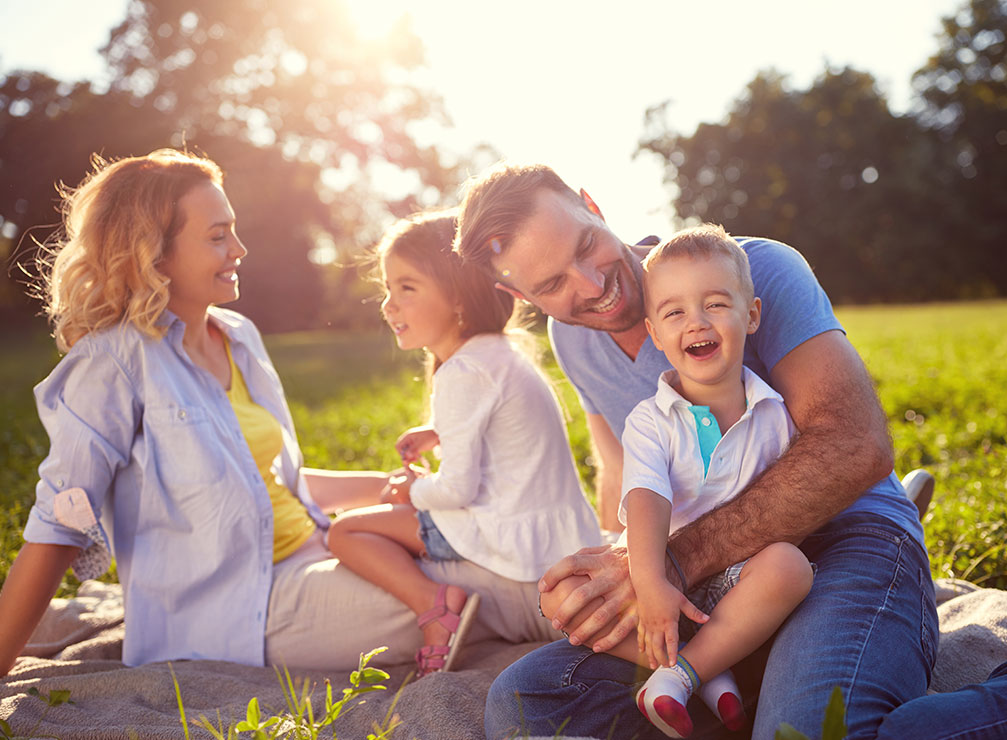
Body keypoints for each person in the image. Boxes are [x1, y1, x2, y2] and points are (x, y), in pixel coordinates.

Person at [455, 163, 1007, 739]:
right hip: (714, 585)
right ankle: (741, 687)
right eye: (553, 283)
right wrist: (617, 576)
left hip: (845, 537)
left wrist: (672, 562)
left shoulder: (756, 268)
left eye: (585, 245)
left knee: (811, 735)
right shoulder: (575, 342)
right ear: (521, 298)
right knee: (526, 701)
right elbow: (623, 473)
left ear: (591, 203)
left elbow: (855, 446)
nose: (593, 284)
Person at [0, 151, 567, 678]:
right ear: (155, 253)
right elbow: (60, 525)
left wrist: (396, 489)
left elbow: (274, 486)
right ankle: (585, 608)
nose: (239, 249)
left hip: (314, 549)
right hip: (246, 607)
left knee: (469, 550)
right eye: (218, 237)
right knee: (466, 581)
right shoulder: (112, 363)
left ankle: (591, 595)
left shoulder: (237, 337)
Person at [541, 225, 814, 738]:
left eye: (715, 304)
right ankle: (710, 670)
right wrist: (650, 585)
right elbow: (645, 500)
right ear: (656, 332)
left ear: (750, 315)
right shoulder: (650, 420)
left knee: (791, 567)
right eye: (674, 313)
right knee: (562, 595)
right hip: (658, 577)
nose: (696, 322)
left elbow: (791, 510)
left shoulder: (775, 414)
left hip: (738, 583)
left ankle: (679, 676)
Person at [325, 211, 601, 677]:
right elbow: (499, 426)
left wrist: (409, 491)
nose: (389, 305)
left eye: (407, 288)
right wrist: (437, 430)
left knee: (345, 532)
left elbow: (456, 491)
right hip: (559, 536)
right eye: (389, 288)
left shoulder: (462, 371)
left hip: (510, 543)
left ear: (456, 297)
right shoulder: (500, 353)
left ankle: (436, 606)